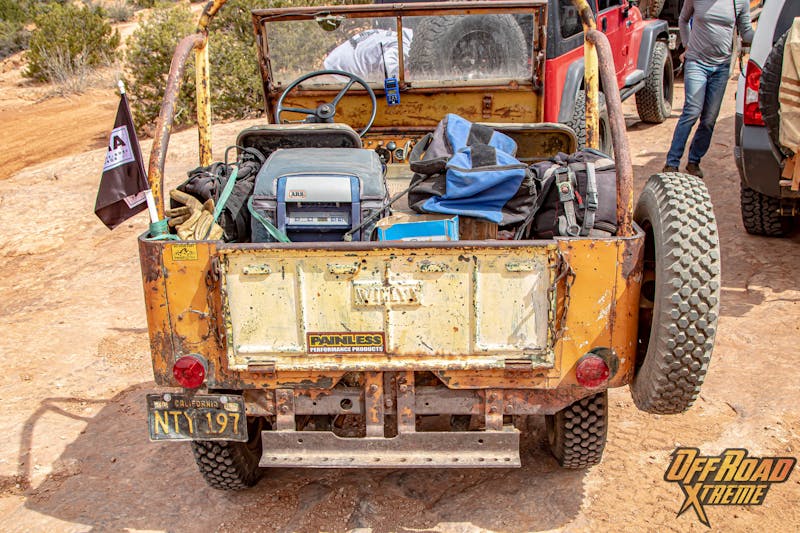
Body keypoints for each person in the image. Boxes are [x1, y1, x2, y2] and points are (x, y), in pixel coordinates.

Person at [663, 0, 754, 177]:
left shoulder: (739, 2)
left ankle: (694, 161)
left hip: (721, 67)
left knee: (709, 119)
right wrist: (687, 45)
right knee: (692, 111)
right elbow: (683, 20)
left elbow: (746, 32)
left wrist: (768, 36)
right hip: (696, 62)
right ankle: (672, 162)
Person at [323, 28, 413, 82]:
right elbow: (388, 66)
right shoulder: (405, 46)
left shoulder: (394, 36)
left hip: (332, 63)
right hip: (342, 74)